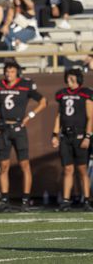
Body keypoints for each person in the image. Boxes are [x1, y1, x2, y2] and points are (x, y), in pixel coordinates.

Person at [0, 59, 47, 212]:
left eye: (12, 71)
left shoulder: (25, 85)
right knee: (3, 166)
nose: (8, 74)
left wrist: (29, 116)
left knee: (25, 164)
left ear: (17, 72)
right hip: (3, 128)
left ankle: (26, 199)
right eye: (6, 71)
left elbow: (43, 101)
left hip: (18, 127)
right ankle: (4, 199)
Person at [52, 69, 93, 211]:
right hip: (65, 136)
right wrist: (54, 134)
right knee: (68, 169)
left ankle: (87, 200)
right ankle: (65, 201)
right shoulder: (62, 94)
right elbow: (59, 116)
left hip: (80, 135)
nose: (70, 79)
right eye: (68, 76)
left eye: (72, 76)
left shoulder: (85, 93)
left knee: (82, 169)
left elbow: (90, 117)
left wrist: (88, 136)